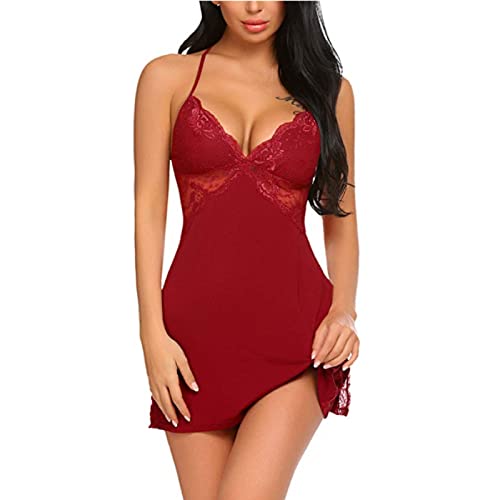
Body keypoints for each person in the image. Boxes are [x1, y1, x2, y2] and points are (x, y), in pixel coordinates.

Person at [134, 1, 360, 497]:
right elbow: (149, 209)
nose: (254, 6)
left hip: (298, 340)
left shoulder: (330, 92)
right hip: (191, 348)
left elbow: (341, 220)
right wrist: (152, 334)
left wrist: (343, 311)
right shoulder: (167, 79)